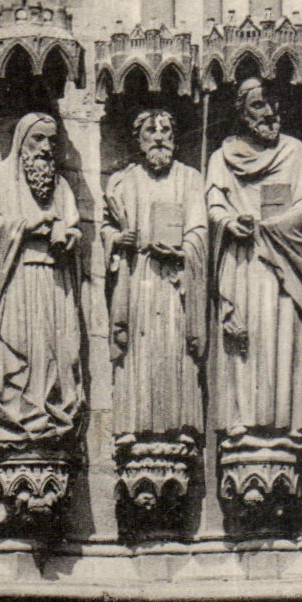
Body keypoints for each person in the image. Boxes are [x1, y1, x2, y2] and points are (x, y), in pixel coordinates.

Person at [206, 78, 302, 441]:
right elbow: (215, 205)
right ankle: (241, 416)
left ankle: (284, 419)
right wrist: (230, 222)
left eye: (273, 104)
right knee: (243, 337)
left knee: (282, 336)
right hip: (243, 260)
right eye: (258, 105)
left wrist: (273, 226)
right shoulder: (222, 158)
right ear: (241, 112)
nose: (269, 113)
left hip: (282, 257)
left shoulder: (294, 152)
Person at [0, 112, 86, 448]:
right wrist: (26, 226)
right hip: (16, 279)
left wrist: (69, 236)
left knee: (57, 354)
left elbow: (74, 228)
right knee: (17, 348)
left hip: (54, 281)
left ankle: (53, 416)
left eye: (52, 141)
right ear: (21, 142)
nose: (45, 148)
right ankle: (16, 417)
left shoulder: (61, 187)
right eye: (38, 139)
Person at [102, 108, 206, 446]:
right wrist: (119, 239)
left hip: (175, 277)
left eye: (166, 131)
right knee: (138, 347)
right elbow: (105, 228)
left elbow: (199, 231)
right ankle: (132, 423)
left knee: (174, 344)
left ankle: (180, 424)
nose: (159, 137)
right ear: (138, 139)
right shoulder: (123, 181)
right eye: (151, 130)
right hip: (139, 275)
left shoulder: (190, 179)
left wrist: (183, 249)